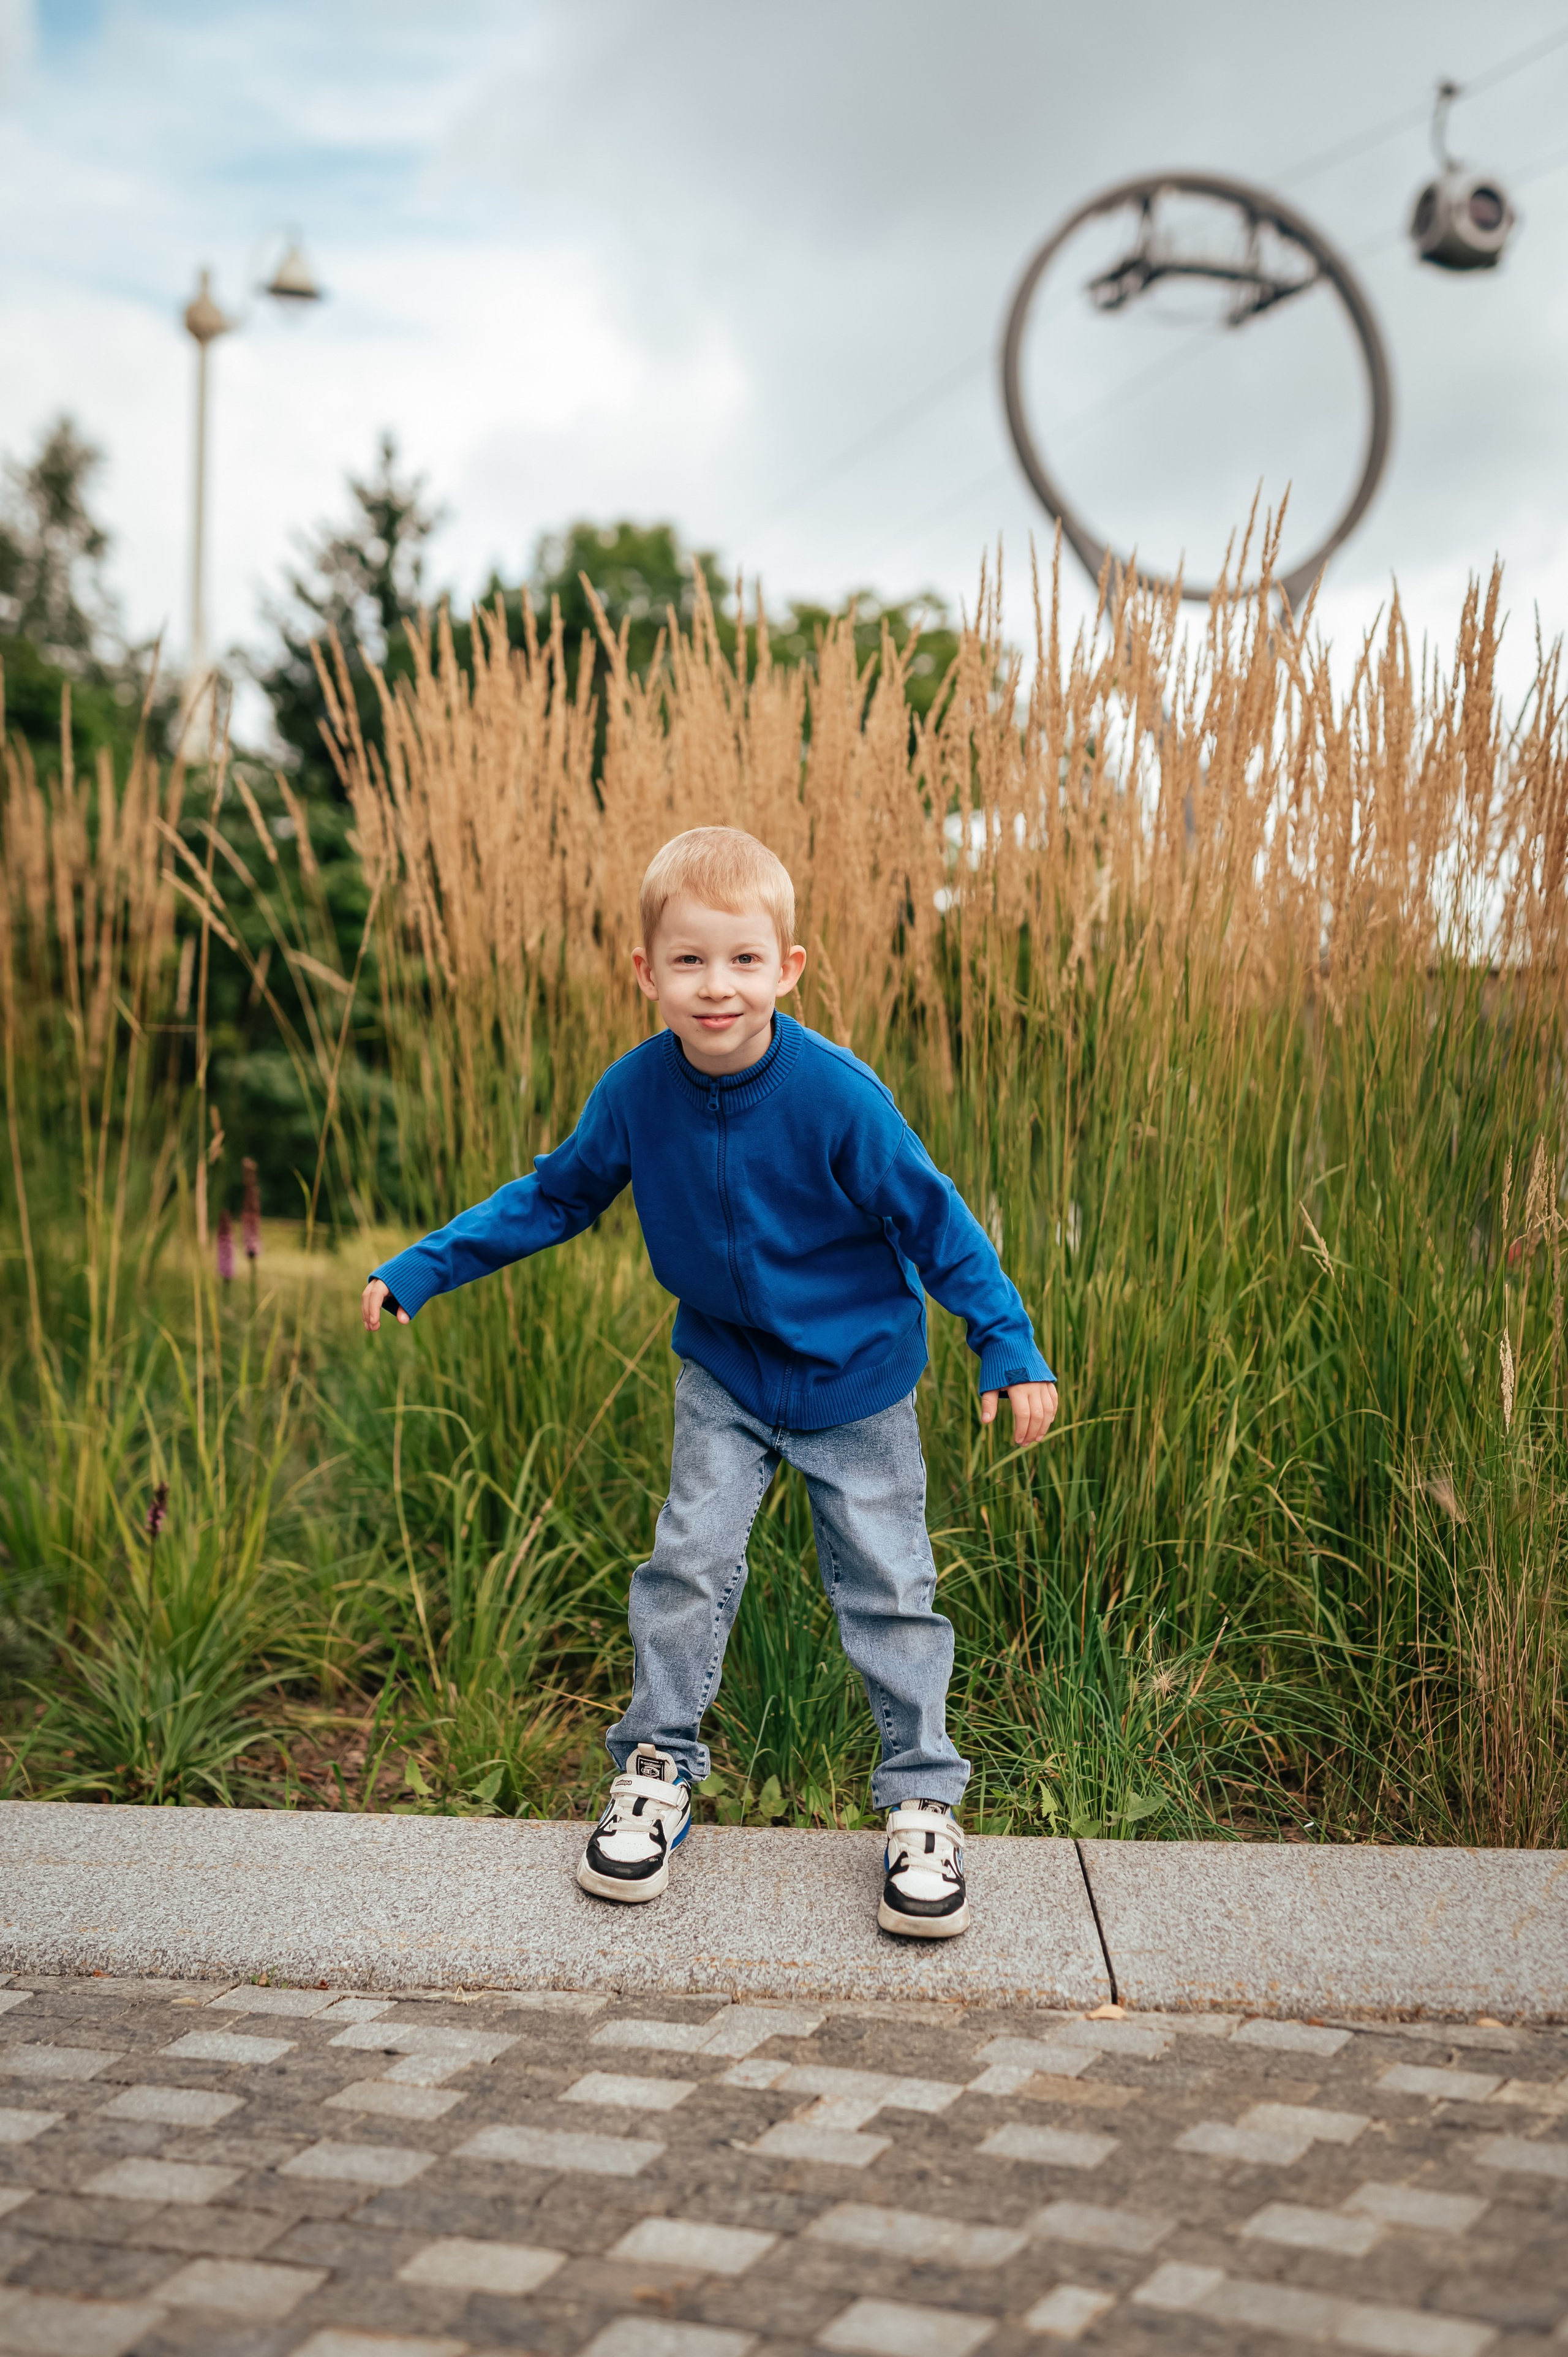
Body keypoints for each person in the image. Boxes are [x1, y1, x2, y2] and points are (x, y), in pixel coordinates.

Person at [362, 826, 1057, 1939]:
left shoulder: (838, 1096)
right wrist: (422, 1266)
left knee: (888, 1585)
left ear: (788, 967)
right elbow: (554, 1197)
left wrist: (1006, 1342)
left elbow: (936, 1219)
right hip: (726, 1374)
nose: (715, 986)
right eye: (688, 961)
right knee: (686, 1562)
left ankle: (921, 1796)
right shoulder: (638, 1090)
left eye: (742, 961)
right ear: (647, 973)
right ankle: (657, 1769)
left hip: (858, 1378)